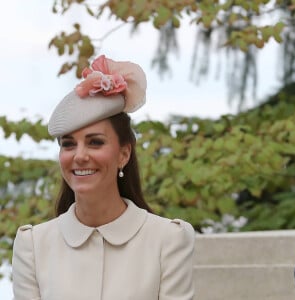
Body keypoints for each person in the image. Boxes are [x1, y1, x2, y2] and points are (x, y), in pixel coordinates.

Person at [12, 54, 195, 300]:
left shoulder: (168, 240)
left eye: (95, 142)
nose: (79, 156)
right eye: (68, 145)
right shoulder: (33, 245)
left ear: (124, 153)